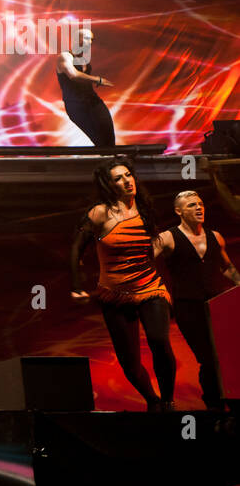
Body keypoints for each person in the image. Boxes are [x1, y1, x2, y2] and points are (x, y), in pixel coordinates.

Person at [71, 157, 175, 410]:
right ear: (109, 185)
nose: (126, 181)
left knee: (159, 340)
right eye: (118, 178)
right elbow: (76, 249)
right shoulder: (100, 213)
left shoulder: (145, 208)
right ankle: (153, 401)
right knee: (129, 361)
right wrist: (78, 286)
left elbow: (150, 247)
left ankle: (168, 402)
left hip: (151, 288)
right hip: (114, 294)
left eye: (128, 175)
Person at [156, 191, 240, 411]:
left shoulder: (216, 237)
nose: (199, 208)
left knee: (225, 358)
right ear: (179, 211)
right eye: (192, 205)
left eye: (201, 204)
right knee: (208, 359)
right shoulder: (168, 237)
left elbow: (227, 268)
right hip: (188, 308)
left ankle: (229, 403)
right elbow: (143, 262)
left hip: (218, 305)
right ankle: (214, 406)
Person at [56, 27, 115, 147]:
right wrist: (97, 79)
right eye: (87, 38)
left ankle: (112, 161)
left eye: (92, 40)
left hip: (93, 100)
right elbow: (73, 75)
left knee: (108, 134)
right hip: (75, 104)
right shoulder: (65, 56)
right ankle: (105, 161)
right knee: (98, 139)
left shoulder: (84, 60)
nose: (91, 42)